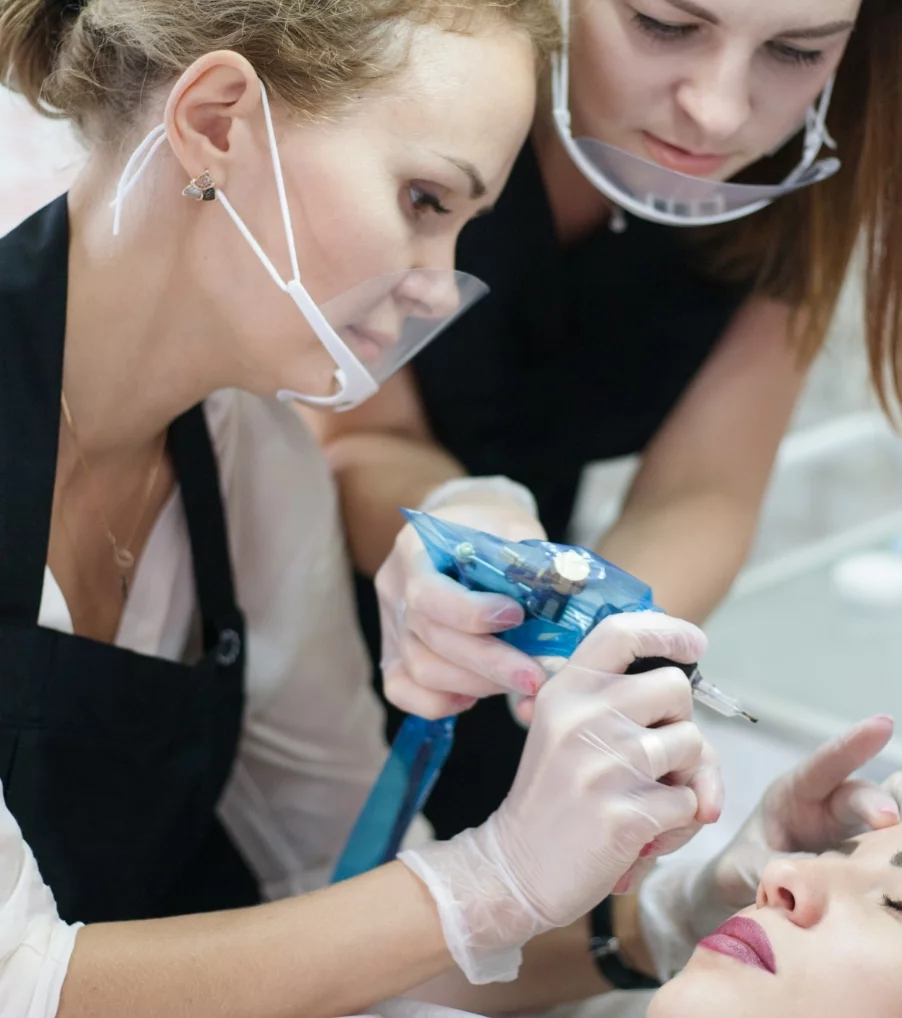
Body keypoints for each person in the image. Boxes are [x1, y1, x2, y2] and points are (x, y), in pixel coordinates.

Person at [0, 0, 735, 1013]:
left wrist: (686, 912)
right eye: (425, 200)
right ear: (215, 121)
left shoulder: (252, 468)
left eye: (465, 227)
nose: (438, 287)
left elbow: (344, 896)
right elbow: (20, 982)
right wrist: (490, 878)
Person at [313, 0, 902, 839]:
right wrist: (463, 520)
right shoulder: (422, 78)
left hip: (530, 629)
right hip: (305, 595)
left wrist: (605, 650)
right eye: (664, 25)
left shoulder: (799, 180)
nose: (719, 111)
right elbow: (356, 434)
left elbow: (705, 488)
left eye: (797, 51)